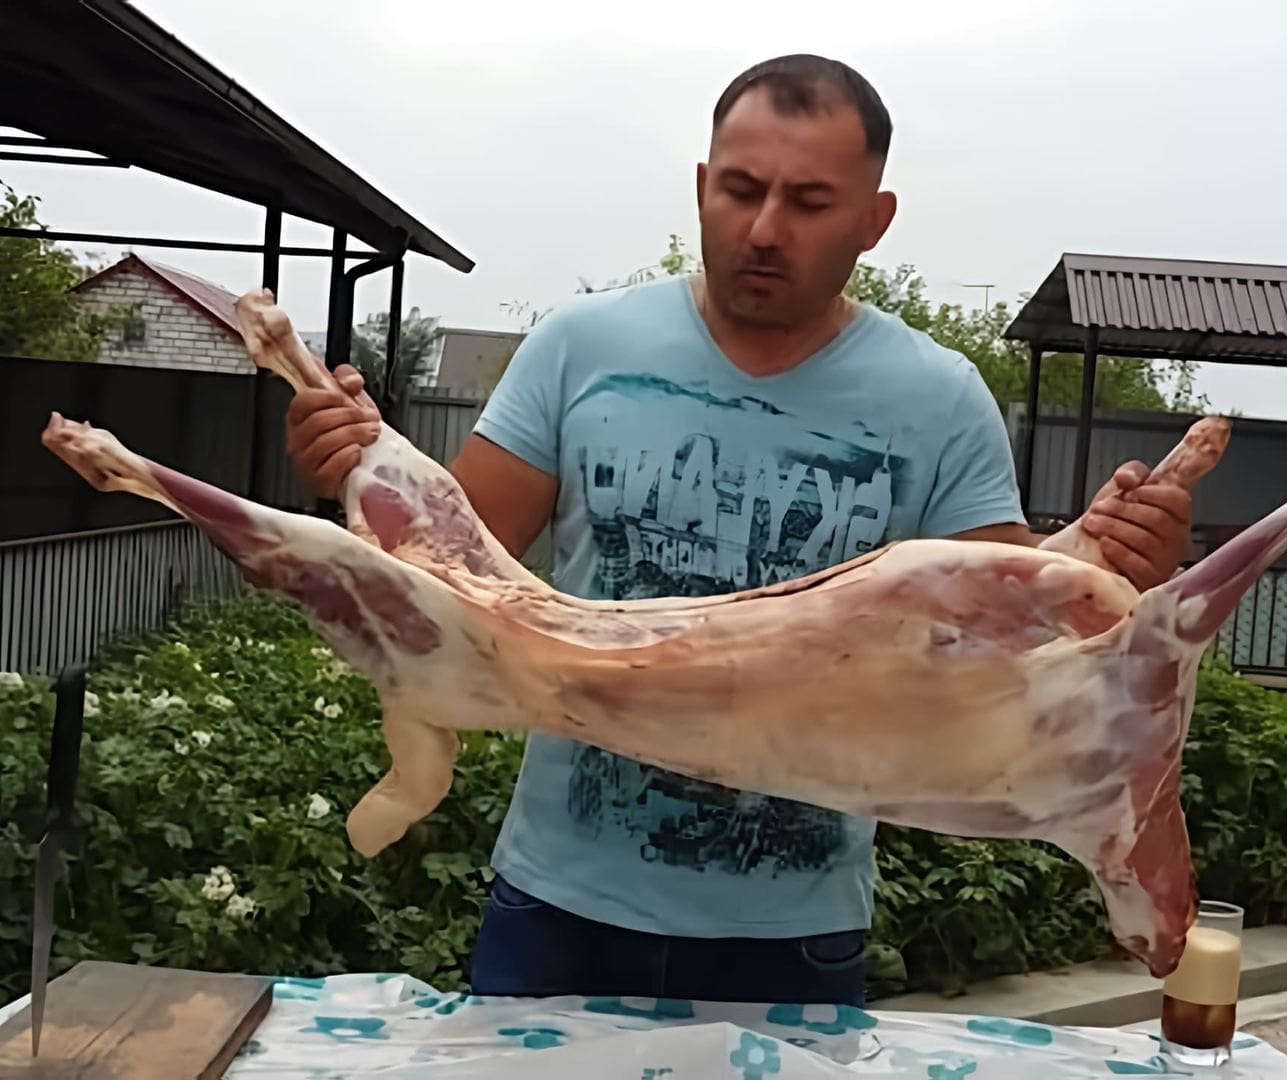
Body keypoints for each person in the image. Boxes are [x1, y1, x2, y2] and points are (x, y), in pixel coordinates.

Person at [284, 54, 1193, 1008]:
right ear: (701, 186)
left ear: (874, 220)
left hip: (792, 940)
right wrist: (351, 473)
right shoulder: (580, 349)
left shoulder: (941, 400)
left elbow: (1013, 656)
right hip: (559, 913)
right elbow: (442, 588)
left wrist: (1117, 567)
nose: (763, 229)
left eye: (809, 202)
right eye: (741, 189)